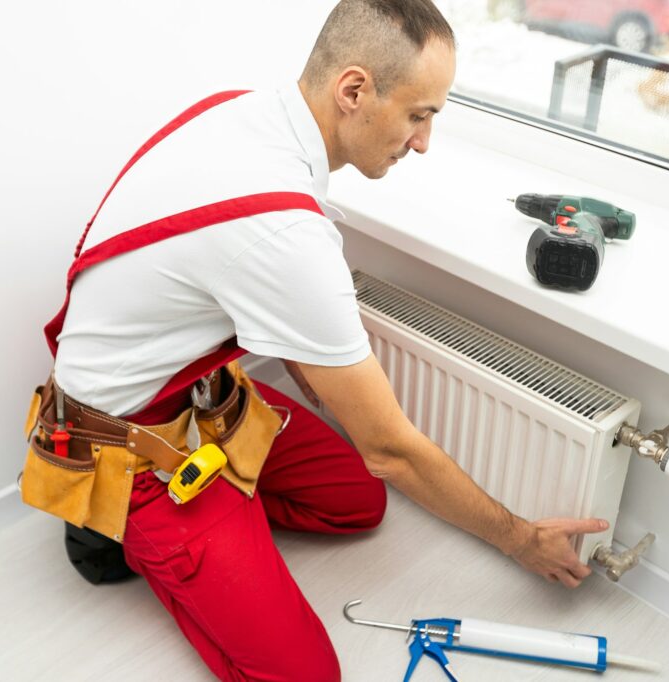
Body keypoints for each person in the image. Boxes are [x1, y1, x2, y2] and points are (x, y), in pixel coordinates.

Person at [40, 1, 608, 680]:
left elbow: (288, 332)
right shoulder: (282, 232)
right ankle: (123, 535)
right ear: (354, 91)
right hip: (129, 447)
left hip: (197, 395)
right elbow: (391, 449)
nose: (423, 141)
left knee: (356, 503)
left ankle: (222, 528)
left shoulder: (252, 117)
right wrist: (521, 541)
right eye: (419, 114)